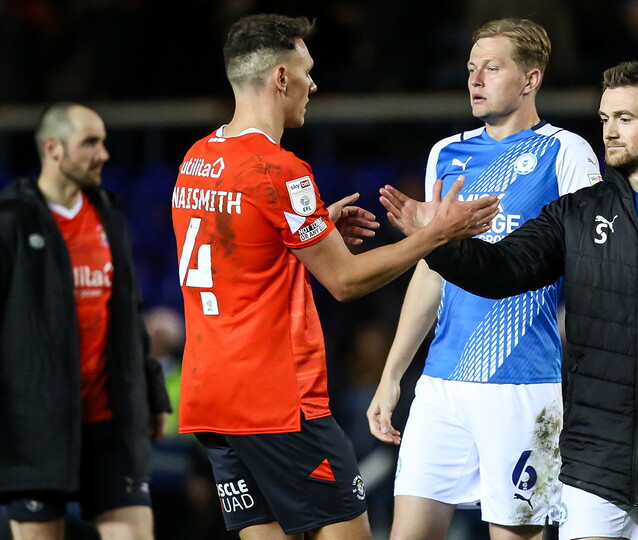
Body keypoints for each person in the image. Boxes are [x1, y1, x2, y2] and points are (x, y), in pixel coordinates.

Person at [380, 60, 638, 540]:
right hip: (594, 462)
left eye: (625, 119)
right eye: (605, 118)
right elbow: (501, 269)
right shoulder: (578, 211)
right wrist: (436, 242)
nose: (609, 131)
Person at [171, 14, 499, 540]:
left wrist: (313, 234)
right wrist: (436, 235)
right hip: (276, 400)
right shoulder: (278, 169)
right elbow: (345, 282)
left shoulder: (197, 159)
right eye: (307, 71)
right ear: (281, 77)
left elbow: (240, 255)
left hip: (212, 396)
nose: (314, 84)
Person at [364, 17, 601, 540]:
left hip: (523, 385)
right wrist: (392, 374)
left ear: (531, 79)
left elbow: (593, 270)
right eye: (471, 68)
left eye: (491, 68)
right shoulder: (447, 154)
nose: (474, 79)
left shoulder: (566, 152)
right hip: (441, 383)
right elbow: (431, 270)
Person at [0, 103, 171, 540]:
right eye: (90, 143)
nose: (103, 154)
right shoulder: (11, 221)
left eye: (104, 142)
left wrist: (152, 393)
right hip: (36, 426)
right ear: (53, 148)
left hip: (110, 421)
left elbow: (129, 313)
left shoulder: (109, 217)